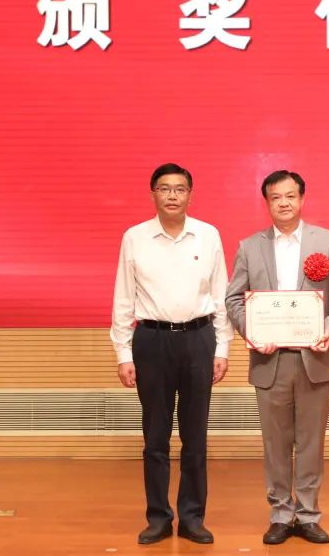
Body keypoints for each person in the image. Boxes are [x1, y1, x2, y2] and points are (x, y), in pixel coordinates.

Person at [225, 170, 329, 545]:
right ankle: (281, 514)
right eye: (275, 197)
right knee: (276, 444)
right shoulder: (249, 247)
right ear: (266, 202)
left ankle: (309, 514)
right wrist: (252, 331)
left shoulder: (327, 241)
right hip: (270, 360)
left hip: (315, 358)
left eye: (290, 196)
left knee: (311, 442)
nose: (283, 203)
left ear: (301, 199)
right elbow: (233, 299)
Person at [110, 163, 232, 545]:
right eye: (165, 189)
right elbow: (123, 297)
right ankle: (158, 518)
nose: (173, 195)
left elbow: (221, 295)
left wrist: (222, 347)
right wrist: (123, 353)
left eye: (180, 189)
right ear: (153, 194)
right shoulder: (135, 237)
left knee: (195, 437)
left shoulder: (208, 235)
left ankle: (193, 518)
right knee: (155, 437)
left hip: (199, 339)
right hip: (152, 341)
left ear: (190, 195)